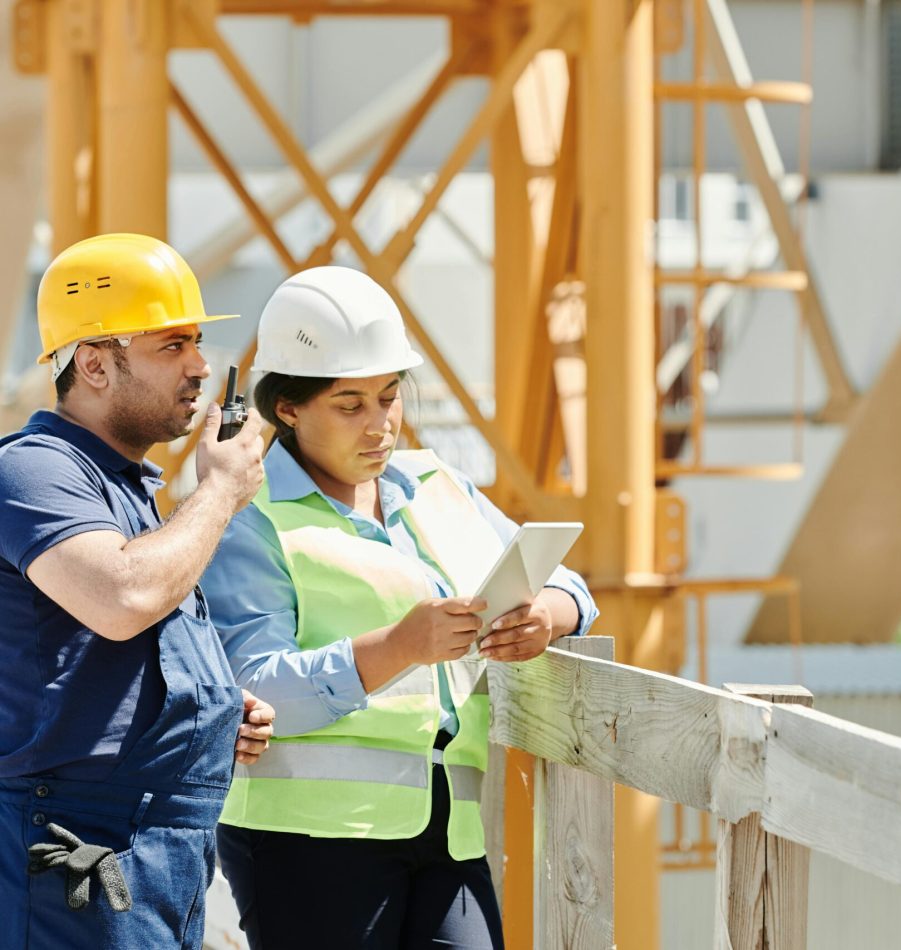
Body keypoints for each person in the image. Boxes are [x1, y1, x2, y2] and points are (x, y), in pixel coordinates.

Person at [203, 265, 598, 949]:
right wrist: (399, 648)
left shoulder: (435, 482)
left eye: (390, 397)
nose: (381, 425)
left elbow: (569, 583)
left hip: (449, 830)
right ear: (287, 409)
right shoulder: (249, 520)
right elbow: (252, 691)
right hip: (308, 844)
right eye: (350, 405)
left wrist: (548, 615)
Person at [0, 233, 276, 949]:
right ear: (93, 362)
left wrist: (209, 711)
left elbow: (115, 641)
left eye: (197, 343)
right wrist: (219, 492)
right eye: (172, 345)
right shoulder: (33, 471)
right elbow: (123, 598)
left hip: (152, 846)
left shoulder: (126, 493)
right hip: (76, 842)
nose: (200, 366)